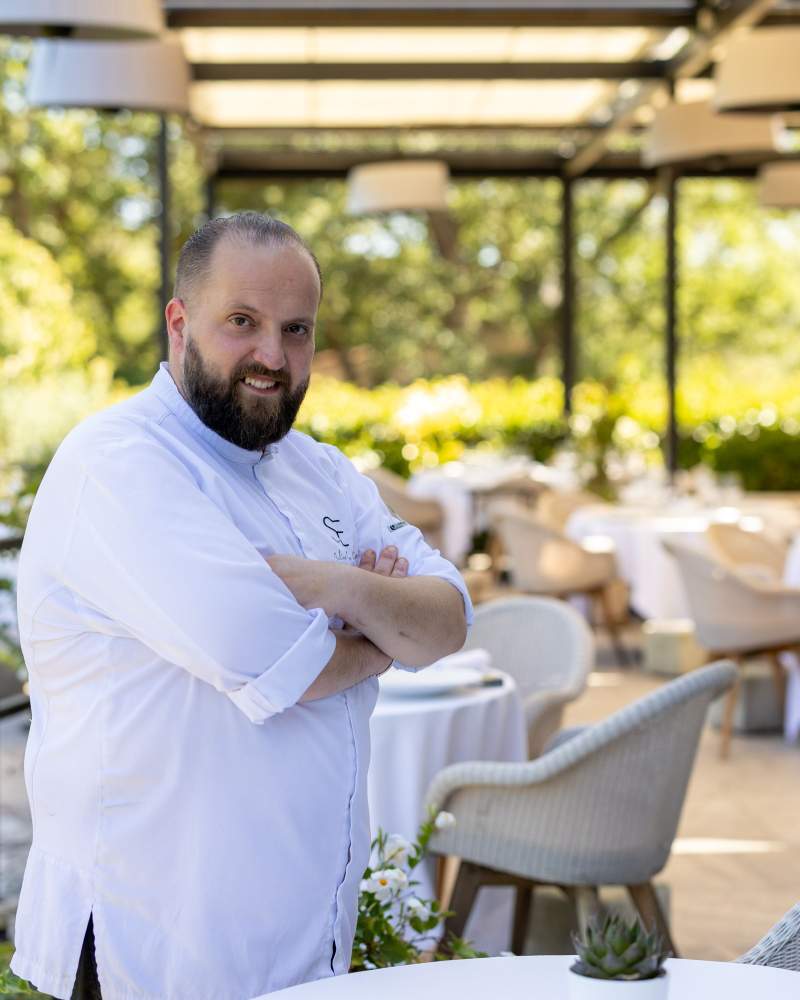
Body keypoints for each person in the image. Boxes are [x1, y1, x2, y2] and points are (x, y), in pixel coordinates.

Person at [10, 212, 471, 1000]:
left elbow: (449, 619)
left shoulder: (317, 470)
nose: (272, 356)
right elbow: (280, 666)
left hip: (299, 946)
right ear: (180, 322)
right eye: (242, 323)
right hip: (153, 944)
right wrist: (378, 633)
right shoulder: (120, 463)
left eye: (297, 330)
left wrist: (333, 587)